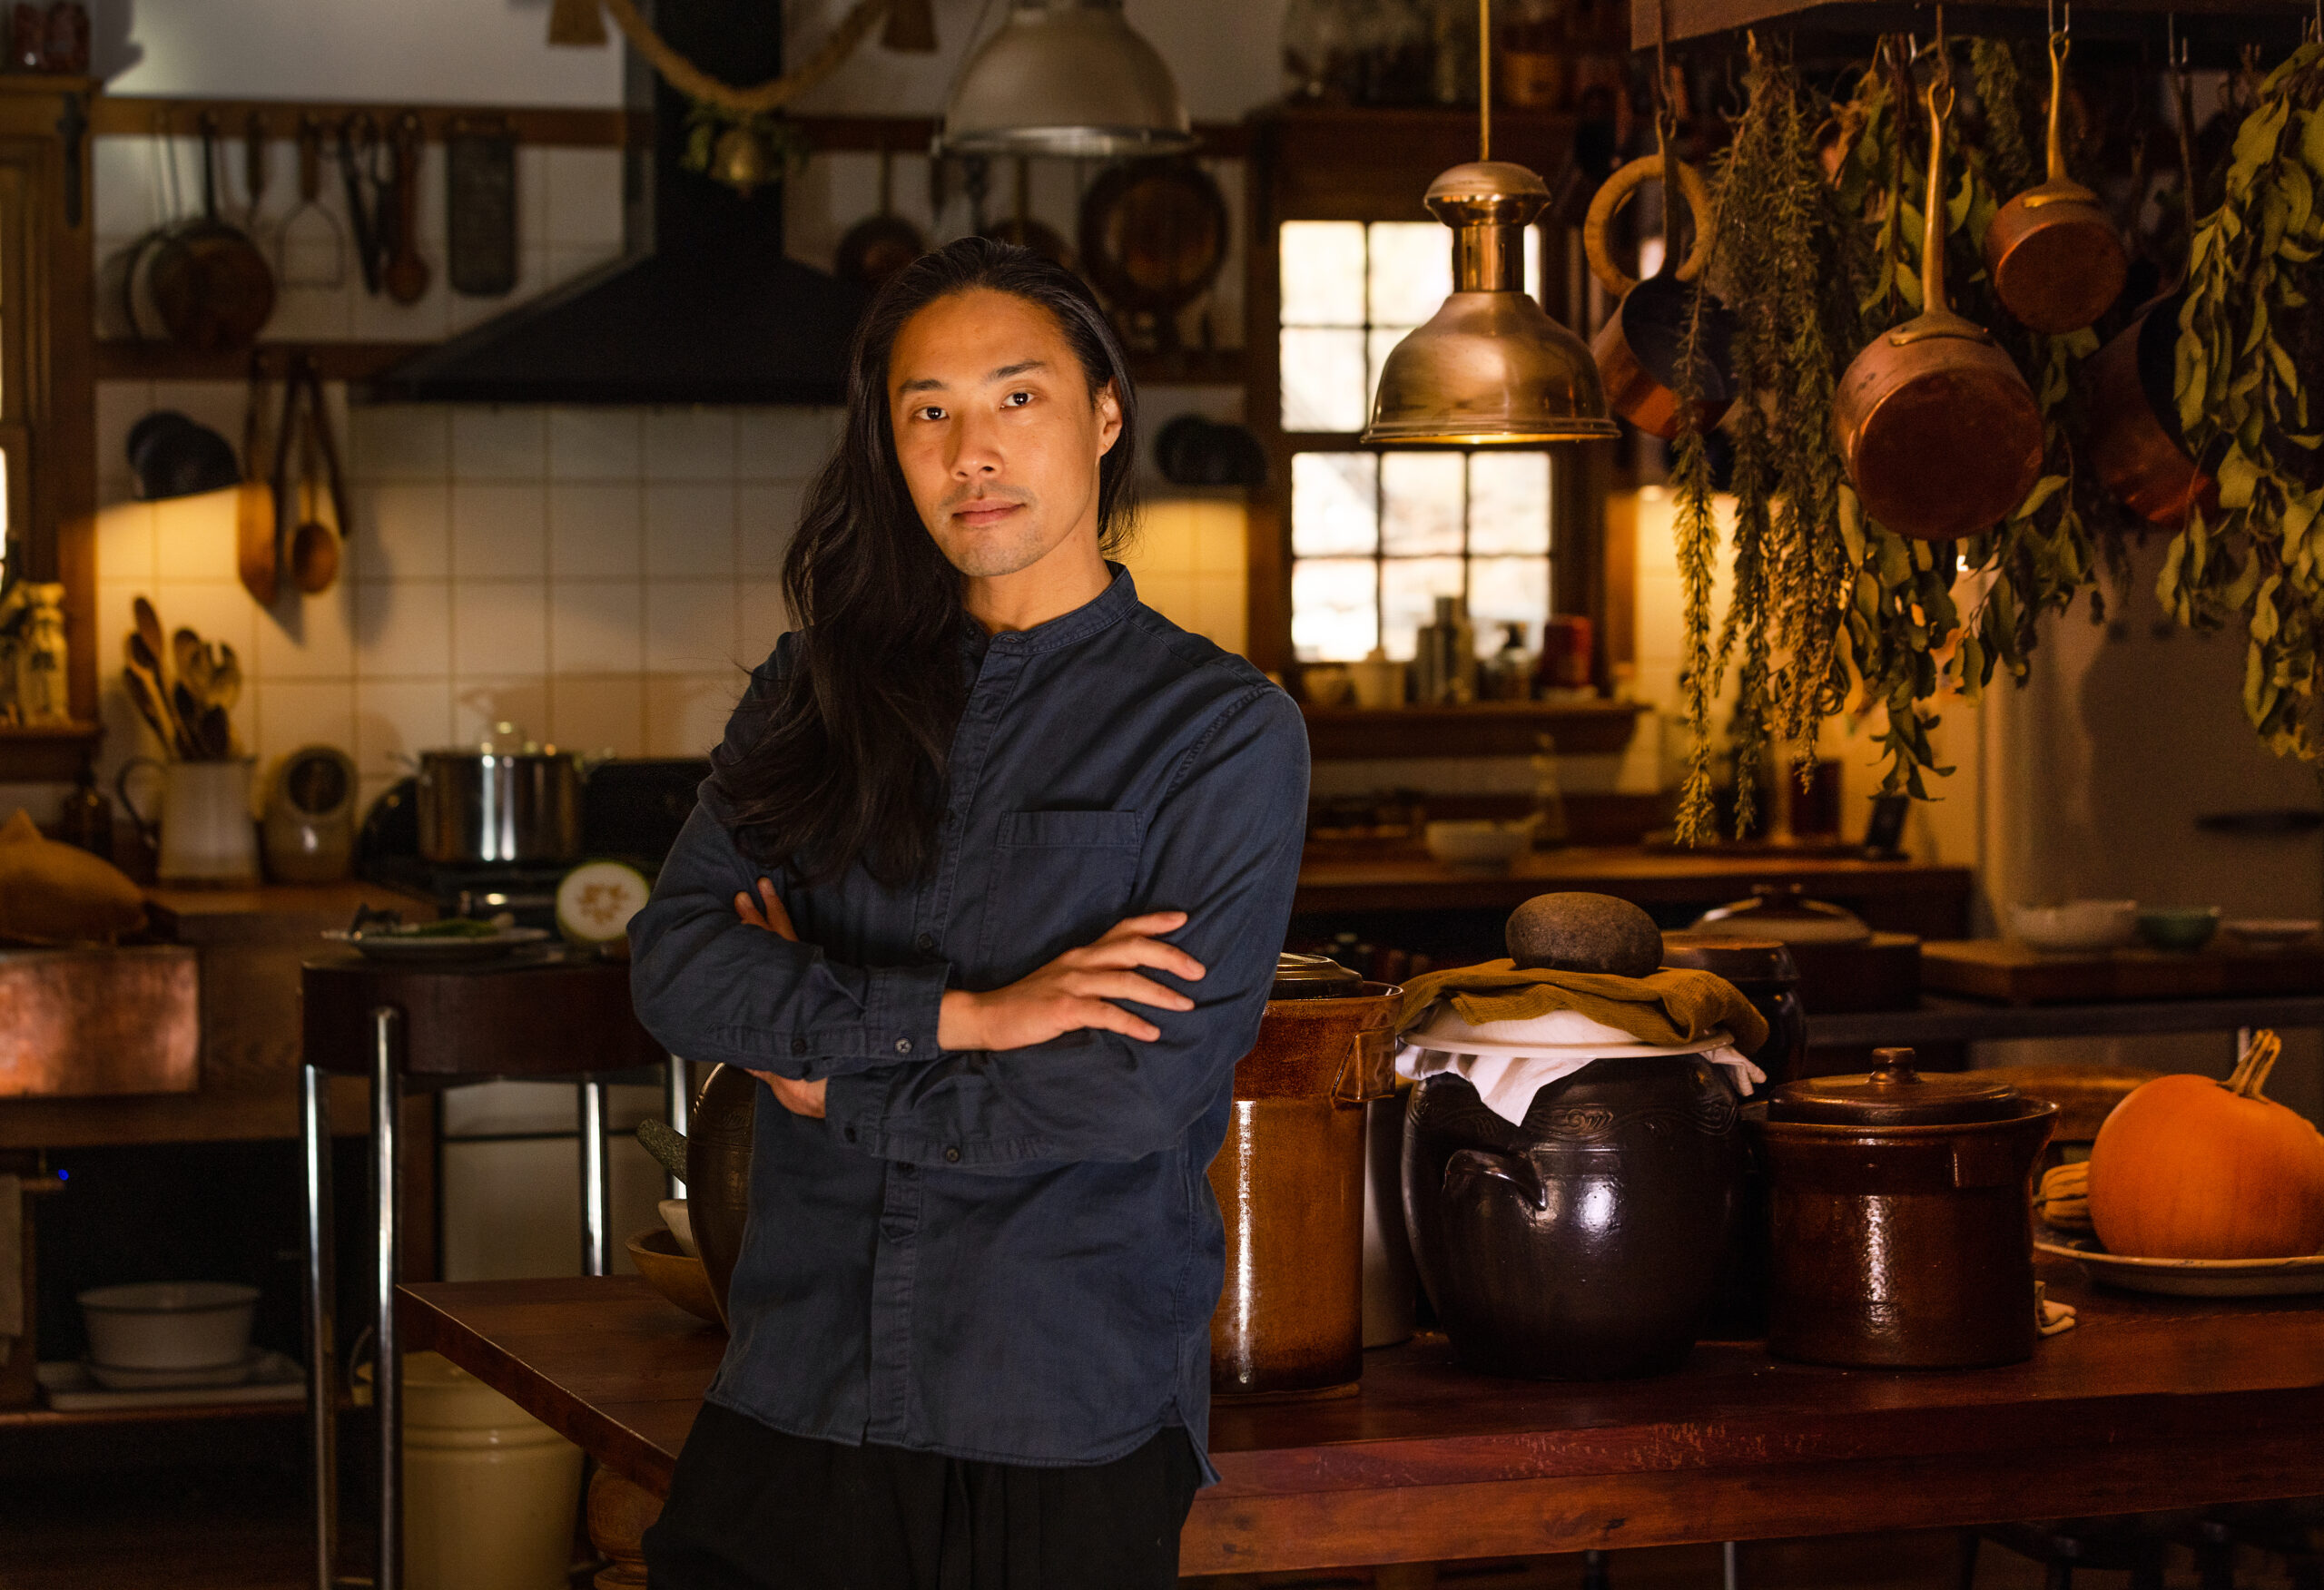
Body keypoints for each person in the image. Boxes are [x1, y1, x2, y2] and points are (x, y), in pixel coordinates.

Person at [627, 237, 1311, 1590]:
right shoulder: (815, 690)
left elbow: (1127, 1093)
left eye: (1016, 398)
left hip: (1056, 1401)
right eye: (927, 410)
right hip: (799, 1378)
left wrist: (842, 1086)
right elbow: (676, 962)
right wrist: (971, 1017)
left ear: (1106, 413)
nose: (970, 452)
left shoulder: (1222, 734)